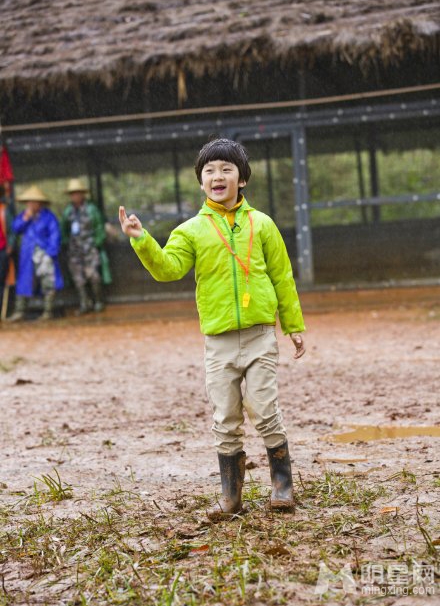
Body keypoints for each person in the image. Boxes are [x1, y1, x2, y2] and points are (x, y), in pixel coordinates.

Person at [119, 138, 305, 521]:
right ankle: (231, 496)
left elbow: (282, 277)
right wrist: (142, 240)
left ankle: (282, 485)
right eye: (209, 171)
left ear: (243, 179)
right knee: (225, 418)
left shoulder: (262, 224)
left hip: (259, 336)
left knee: (265, 410)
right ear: (201, 182)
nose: (217, 176)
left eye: (226, 169)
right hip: (218, 342)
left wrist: (294, 324)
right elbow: (168, 268)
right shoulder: (190, 231)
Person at [9, 185, 63, 321]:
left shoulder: (49, 217)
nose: (32, 204)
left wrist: (50, 253)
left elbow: (55, 235)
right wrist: (25, 218)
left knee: (47, 282)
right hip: (28, 254)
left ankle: (48, 311)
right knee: (24, 281)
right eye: (29, 202)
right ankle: (20, 311)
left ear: (40, 203)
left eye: (34, 202)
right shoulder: (24, 216)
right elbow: (15, 228)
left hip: (44, 253)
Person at [61, 178, 110, 315]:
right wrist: (67, 243)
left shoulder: (91, 209)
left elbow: (100, 227)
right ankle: (84, 303)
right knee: (78, 279)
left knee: (94, 276)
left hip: (90, 248)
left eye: (77, 193)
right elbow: (64, 229)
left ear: (83, 194)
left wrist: (97, 243)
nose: (75, 196)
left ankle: (98, 302)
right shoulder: (68, 211)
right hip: (74, 251)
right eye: (72, 194)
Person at [0, 184, 15, 317]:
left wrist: (10, 246)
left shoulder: (4, 210)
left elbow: (12, 231)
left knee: (1, 281)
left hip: (2, 251)